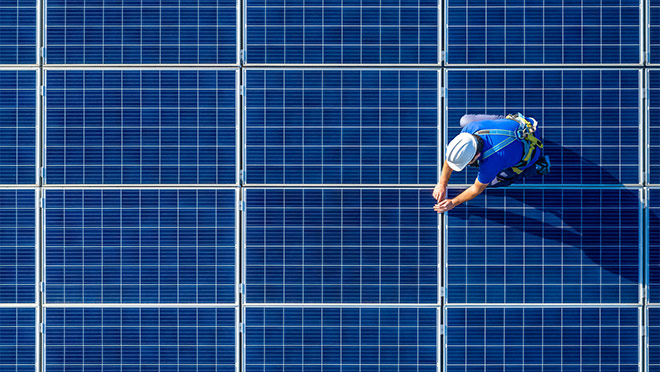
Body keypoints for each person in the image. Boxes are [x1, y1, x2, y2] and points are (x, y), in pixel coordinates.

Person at [433, 113, 551, 213]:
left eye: (467, 163)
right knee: (464, 120)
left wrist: (453, 202)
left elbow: (476, 189)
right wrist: (442, 184)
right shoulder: (469, 130)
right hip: (524, 123)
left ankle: (536, 167)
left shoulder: (491, 163)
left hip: (532, 149)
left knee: (494, 181)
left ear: (478, 156)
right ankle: (504, 123)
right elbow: (452, 158)